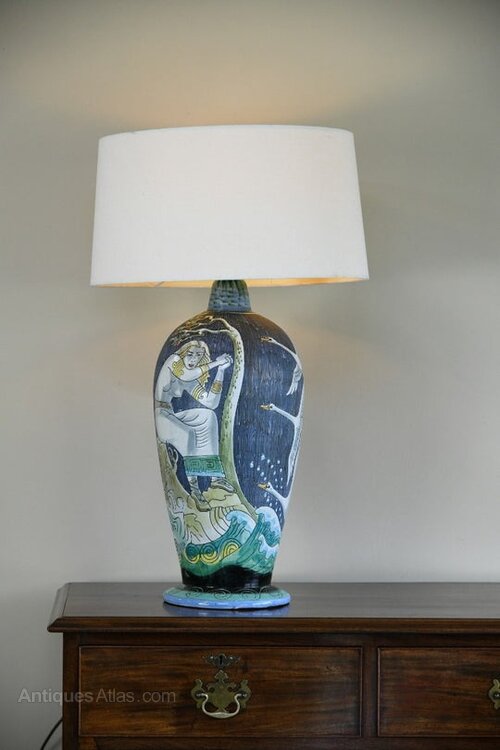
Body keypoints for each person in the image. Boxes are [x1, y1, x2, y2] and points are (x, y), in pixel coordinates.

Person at [154, 340, 233, 508]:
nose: (194, 359)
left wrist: (220, 371)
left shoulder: (190, 378)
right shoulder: (174, 362)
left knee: (208, 417)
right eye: (190, 354)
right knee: (188, 434)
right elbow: (186, 375)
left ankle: (215, 478)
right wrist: (216, 362)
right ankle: (195, 490)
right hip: (161, 413)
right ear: (183, 353)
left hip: (171, 414)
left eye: (199, 355)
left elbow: (211, 402)